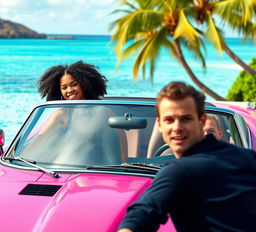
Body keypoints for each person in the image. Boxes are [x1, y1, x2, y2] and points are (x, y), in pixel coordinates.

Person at [118, 81, 256, 232]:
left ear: (201, 121)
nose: (177, 128)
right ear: (160, 124)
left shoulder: (179, 171)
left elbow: (140, 217)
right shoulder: (247, 156)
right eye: (169, 120)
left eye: (185, 119)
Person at [37, 60, 107, 101]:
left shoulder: (101, 109)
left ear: (84, 84)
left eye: (74, 84)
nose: (70, 90)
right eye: (64, 88)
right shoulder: (62, 113)